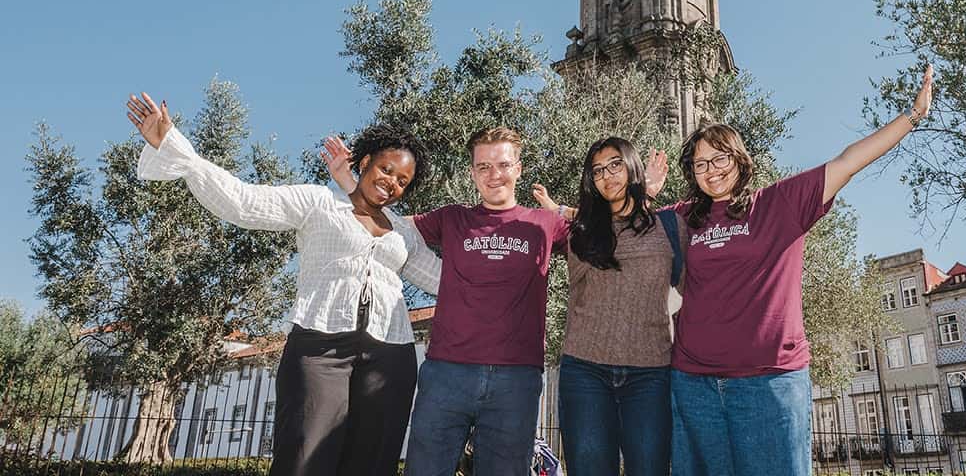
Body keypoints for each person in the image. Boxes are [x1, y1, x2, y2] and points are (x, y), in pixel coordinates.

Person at [126, 93, 441, 476]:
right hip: (320, 346)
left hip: (390, 355)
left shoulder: (403, 231)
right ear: (364, 162)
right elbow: (242, 202)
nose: (391, 182)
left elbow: (444, 280)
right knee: (303, 456)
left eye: (402, 181)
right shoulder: (319, 201)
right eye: (387, 169)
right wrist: (177, 147)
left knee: (373, 461)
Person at [667, 65, 934, 476]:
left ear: (739, 160)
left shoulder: (780, 203)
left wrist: (912, 117)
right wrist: (561, 215)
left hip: (769, 384)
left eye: (719, 158)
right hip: (694, 385)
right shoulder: (685, 217)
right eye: (700, 163)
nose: (711, 170)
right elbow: (629, 226)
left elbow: (847, 163)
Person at [328, 126, 568, 476]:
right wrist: (347, 181)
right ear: (472, 172)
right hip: (446, 375)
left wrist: (567, 208)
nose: (493, 175)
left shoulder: (545, 223)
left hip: (516, 378)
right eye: (483, 166)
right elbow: (385, 223)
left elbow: (602, 240)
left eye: (502, 165)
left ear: (518, 167)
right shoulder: (452, 218)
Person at [529, 138, 681, 476]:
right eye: (597, 170)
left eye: (615, 164)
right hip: (585, 372)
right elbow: (583, 220)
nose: (607, 175)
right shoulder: (581, 231)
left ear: (631, 166)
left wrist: (647, 195)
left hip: (650, 375)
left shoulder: (670, 226)